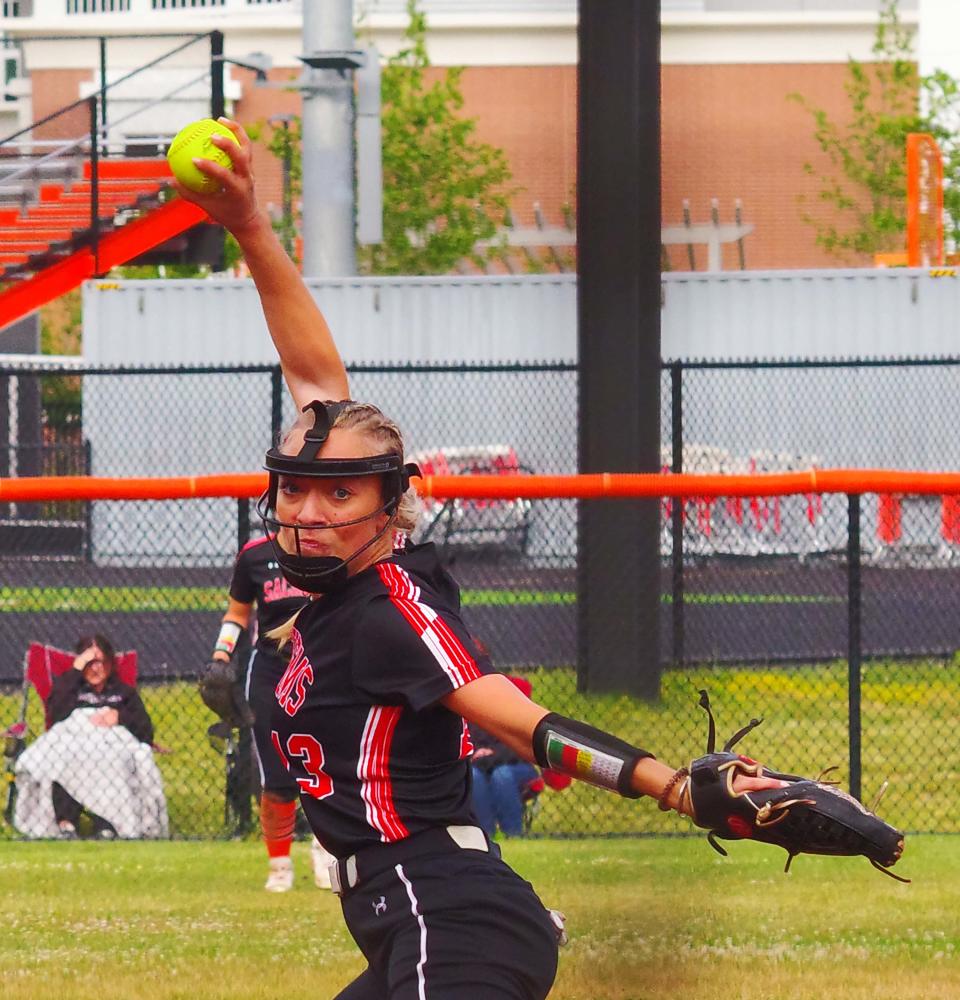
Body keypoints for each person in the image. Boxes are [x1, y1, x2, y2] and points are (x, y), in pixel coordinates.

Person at [175, 118, 795, 1000]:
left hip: (450, 916)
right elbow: (313, 377)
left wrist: (668, 787)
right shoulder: (338, 577)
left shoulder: (387, 607)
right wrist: (249, 228)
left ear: (393, 507)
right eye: (294, 490)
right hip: (409, 920)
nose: (309, 512)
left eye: (339, 495)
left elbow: (514, 721)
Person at [209, 536, 336, 891]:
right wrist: (221, 655)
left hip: (321, 666)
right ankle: (279, 865)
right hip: (269, 671)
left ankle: (325, 850)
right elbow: (237, 613)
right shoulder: (255, 555)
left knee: (327, 768)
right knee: (276, 777)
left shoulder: (328, 545)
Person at [14, 634, 168, 840]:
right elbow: (56, 714)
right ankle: (66, 822)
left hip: (111, 748)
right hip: (73, 743)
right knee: (60, 757)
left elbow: (145, 730)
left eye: (101, 662)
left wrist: (120, 716)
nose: (95, 668)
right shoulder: (71, 688)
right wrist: (75, 671)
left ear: (110, 665)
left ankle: (107, 822)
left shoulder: (123, 693)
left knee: (111, 760)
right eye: (89, 663)